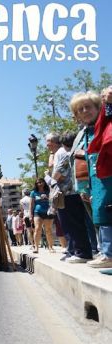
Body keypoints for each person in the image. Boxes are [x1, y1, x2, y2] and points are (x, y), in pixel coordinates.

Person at [71, 88, 112, 268]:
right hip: (93, 182)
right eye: (80, 110)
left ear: (98, 107)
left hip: (107, 176)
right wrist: (83, 187)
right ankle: (105, 252)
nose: (84, 112)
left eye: (88, 107)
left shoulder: (105, 123)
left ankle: (109, 253)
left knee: (106, 211)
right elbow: (81, 162)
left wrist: (109, 103)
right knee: (99, 214)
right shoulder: (83, 134)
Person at [54, 131, 93, 263]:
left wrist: (50, 178)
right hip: (82, 191)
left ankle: (82, 253)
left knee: (73, 225)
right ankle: (87, 250)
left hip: (68, 194)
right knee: (83, 223)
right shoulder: (81, 151)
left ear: (64, 144)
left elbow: (57, 174)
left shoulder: (66, 155)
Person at [30, 178, 55, 253]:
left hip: (48, 212)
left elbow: (53, 200)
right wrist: (30, 214)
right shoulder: (33, 192)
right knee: (37, 229)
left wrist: (47, 197)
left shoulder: (49, 191)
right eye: (37, 183)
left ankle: (50, 247)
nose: (39, 184)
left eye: (41, 182)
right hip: (37, 212)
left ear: (44, 183)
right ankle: (36, 247)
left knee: (48, 230)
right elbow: (31, 204)